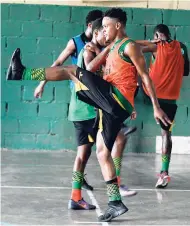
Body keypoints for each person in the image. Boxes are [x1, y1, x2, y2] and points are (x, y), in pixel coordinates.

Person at [7, 8, 171, 222]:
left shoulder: (129, 46)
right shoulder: (111, 47)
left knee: (72, 71)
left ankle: (22, 72)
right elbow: (92, 67)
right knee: (102, 152)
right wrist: (104, 49)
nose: (103, 30)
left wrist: (156, 106)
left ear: (118, 25)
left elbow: (145, 77)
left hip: (116, 98)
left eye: (106, 26)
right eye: (101, 27)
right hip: (112, 105)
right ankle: (115, 203)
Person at [136, 24, 189, 188]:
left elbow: (133, 47)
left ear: (158, 36)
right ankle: (164, 173)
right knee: (166, 134)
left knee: (138, 72)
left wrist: (152, 42)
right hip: (170, 100)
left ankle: (127, 110)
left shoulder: (156, 46)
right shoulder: (182, 47)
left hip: (152, 95)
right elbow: (186, 71)